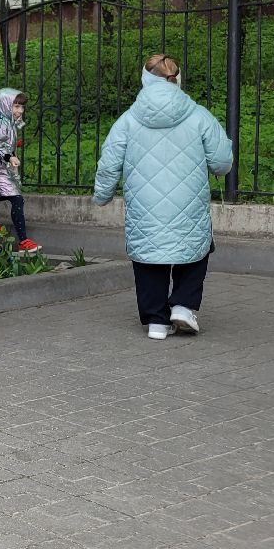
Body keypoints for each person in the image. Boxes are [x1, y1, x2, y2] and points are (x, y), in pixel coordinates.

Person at [93, 54, 232, 339]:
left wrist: (102, 195)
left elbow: (109, 162)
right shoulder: (198, 115)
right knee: (195, 249)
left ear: (145, 80)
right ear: (177, 80)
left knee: (149, 256)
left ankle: (156, 320)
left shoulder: (128, 120)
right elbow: (221, 162)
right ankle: (183, 305)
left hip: (145, 205)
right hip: (188, 200)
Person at [0, 88, 40, 252]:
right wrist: (10, 157)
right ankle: (23, 241)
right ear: (5, 105)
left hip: (3, 170)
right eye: (15, 106)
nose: (19, 110)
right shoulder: (2, 124)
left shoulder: (9, 123)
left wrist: (12, 155)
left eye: (21, 107)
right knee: (16, 200)